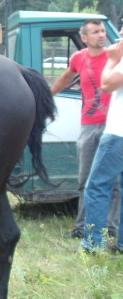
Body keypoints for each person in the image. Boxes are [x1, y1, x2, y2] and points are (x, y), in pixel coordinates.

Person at [50, 19, 120, 239]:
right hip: (89, 126)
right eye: (96, 32)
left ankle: (112, 228)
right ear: (84, 38)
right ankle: (83, 227)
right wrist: (45, 97)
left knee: (115, 183)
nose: (101, 35)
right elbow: (65, 78)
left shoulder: (114, 57)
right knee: (86, 180)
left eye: (102, 31)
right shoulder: (79, 58)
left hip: (113, 127)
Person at [82, 39, 123, 253]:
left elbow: (107, 84)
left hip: (118, 134)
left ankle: (93, 244)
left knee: (97, 187)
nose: (118, 41)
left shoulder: (120, 61)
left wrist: (112, 61)